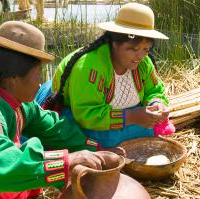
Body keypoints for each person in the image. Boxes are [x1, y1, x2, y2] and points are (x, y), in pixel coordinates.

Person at [0, 21, 121, 199]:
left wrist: (98, 149)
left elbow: (53, 129)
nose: (41, 82)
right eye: (37, 75)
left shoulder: (17, 101)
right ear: (13, 79)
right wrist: (67, 161)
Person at [36, 3, 174, 148]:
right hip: (80, 114)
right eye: (133, 49)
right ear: (115, 43)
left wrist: (156, 104)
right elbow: (86, 113)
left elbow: (154, 90)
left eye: (146, 49)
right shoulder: (89, 67)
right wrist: (132, 117)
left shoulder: (144, 63)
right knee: (101, 141)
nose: (140, 56)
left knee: (146, 130)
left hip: (123, 116)